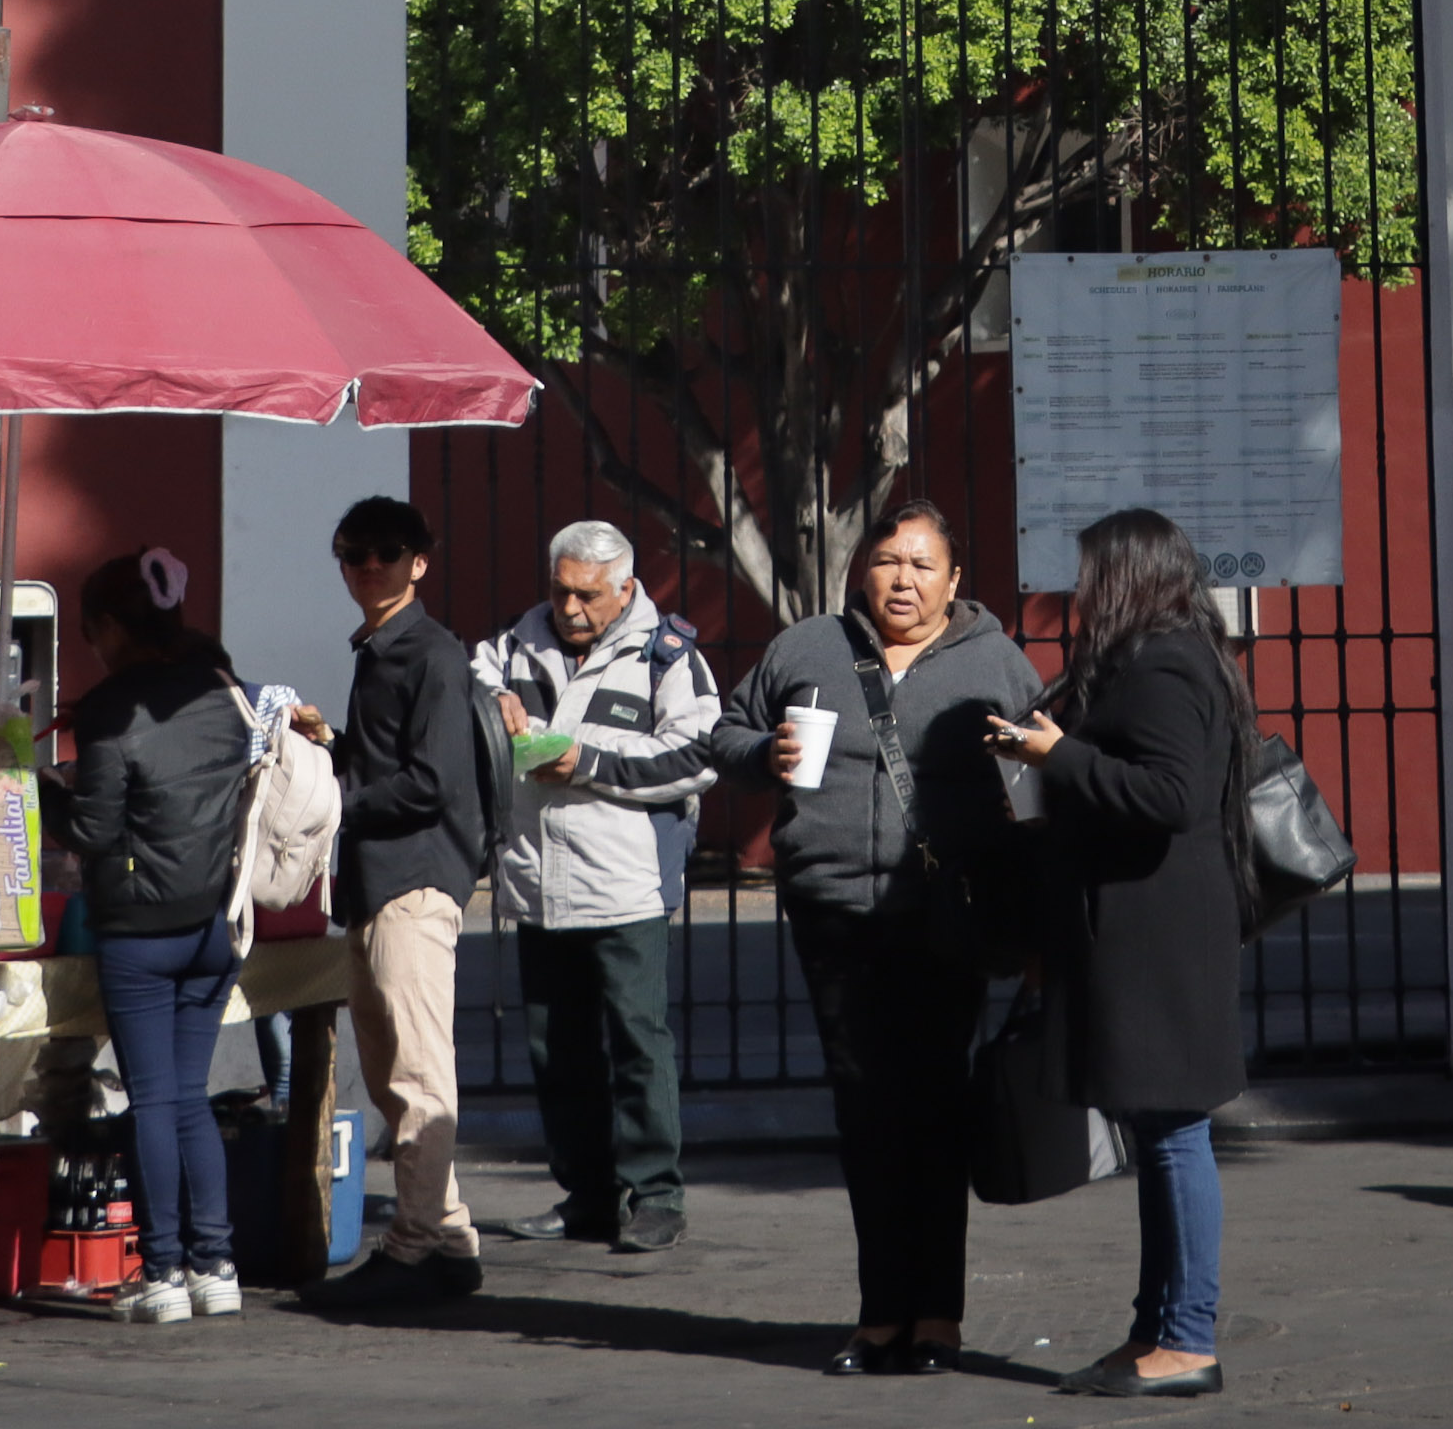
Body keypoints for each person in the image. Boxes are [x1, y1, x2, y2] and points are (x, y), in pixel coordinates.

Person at [702, 500, 1041, 1374]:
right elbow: (727, 734)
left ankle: (938, 1315)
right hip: (833, 912)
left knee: (936, 1108)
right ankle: (879, 1312)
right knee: (865, 1111)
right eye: (888, 560)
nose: (903, 579)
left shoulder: (995, 661)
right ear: (863, 568)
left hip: (944, 915)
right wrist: (762, 755)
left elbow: (1041, 770)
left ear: (955, 581)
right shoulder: (806, 647)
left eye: (923, 565)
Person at [988, 509, 1248, 1400]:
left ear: (1134, 573)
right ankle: (1157, 1329)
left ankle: (1188, 1337)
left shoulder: (1167, 660)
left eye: (1095, 572)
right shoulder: (1145, 659)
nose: (1081, 589)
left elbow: (1170, 794)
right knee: (1158, 1130)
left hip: (1159, 937)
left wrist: (1059, 756)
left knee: (1176, 1132)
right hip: (1139, 932)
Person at [473, 519, 719, 1253]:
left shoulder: (667, 654)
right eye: (561, 592)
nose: (572, 609)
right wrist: (494, 708)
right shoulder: (513, 646)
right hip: (538, 886)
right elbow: (471, 689)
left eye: (589, 596)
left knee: (638, 1042)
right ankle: (586, 1193)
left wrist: (584, 760)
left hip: (624, 886)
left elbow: (696, 756)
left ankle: (657, 1196)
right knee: (558, 1051)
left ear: (626, 589)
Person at [39, 547, 253, 1325]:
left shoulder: (110, 710)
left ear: (107, 627)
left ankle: (162, 1272)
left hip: (139, 932)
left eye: (91, 630)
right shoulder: (222, 687)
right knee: (189, 1099)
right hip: (216, 926)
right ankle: (218, 1267)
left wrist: (38, 788)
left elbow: (94, 830)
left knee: (154, 1101)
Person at [290, 496, 487, 1311]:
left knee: (415, 1077)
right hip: (380, 886)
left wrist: (334, 796)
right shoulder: (381, 649)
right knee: (389, 1070)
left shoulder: (430, 655)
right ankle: (451, 1239)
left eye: (386, 551)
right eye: (352, 553)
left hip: (415, 882)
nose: (368, 566)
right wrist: (332, 745)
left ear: (421, 560)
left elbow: (431, 782)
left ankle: (410, 1250)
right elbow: (389, 762)